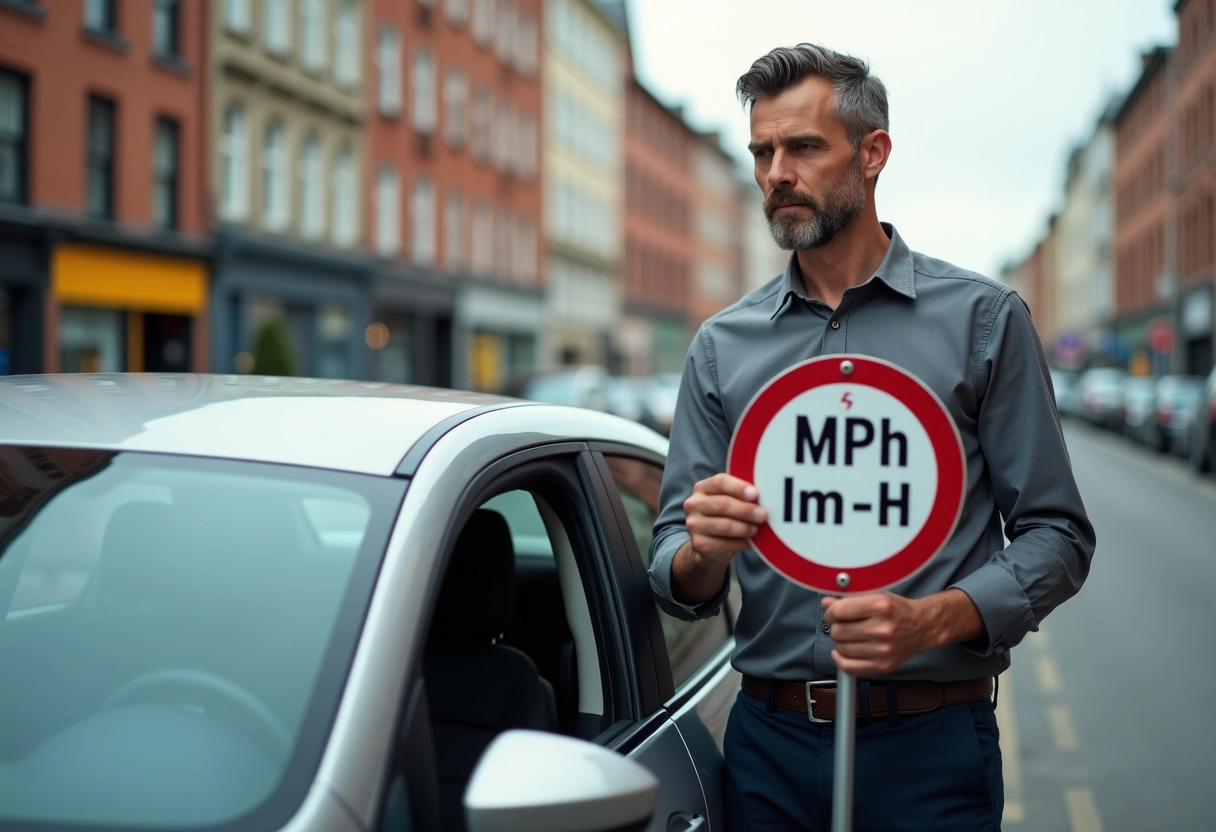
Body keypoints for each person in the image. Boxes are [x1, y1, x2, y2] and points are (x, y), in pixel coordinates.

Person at [648, 43, 1096, 832]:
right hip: (768, 746)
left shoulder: (983, 321)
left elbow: (1057, 536)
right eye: (763, 151)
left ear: (873, 152)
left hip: (931, 746)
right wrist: (701, 552)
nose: (777, 172)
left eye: (804, 147)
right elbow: (673, 576)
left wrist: (936, 618)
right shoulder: (722, 345)